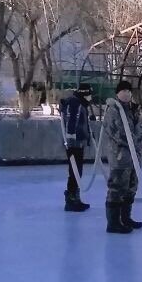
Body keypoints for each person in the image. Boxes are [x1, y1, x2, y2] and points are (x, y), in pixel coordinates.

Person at [104, 80, 142, 234]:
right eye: (123, 90)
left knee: (131, 187)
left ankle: (126, 217)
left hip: (135, 156)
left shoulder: (134, 109)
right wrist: (138, 144)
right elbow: (119, 134)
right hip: (120, 156)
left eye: (129, 91)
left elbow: (139, 129)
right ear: (117, 93)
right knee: (117, 188)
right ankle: (114, 222)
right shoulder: (113, 110)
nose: (127, 93)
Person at [60, 83, 94, 212]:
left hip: (77, 143)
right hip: (74, 144)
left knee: (77, 171)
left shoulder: (79, 104)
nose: (91, 98)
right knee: (74, 171)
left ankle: (75, 198)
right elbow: (72, 124)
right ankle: (71, 200)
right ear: (84, 94)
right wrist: (71, 142)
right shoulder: (75, 104)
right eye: (89, 94)